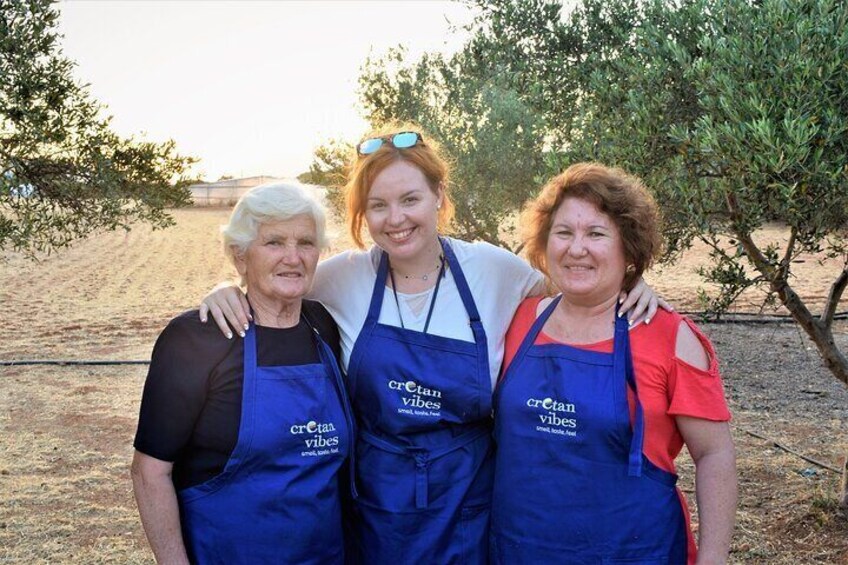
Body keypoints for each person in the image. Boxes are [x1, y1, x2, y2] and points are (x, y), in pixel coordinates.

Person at [198, 127, 661, 563]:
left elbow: (576, 285)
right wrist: (229, 287)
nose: (395, 219)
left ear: (439, 197)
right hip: (377, 509)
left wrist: (633, 283)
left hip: (469, 509)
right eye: (378, 205)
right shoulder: (342, 277)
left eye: (410, 199)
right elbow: (279, 277)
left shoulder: (494, 271)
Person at [490, 163, 737, 564]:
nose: (576, 248)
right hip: (521, 548)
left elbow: (714, 455)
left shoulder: (670, 337)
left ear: (629, 249)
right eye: (564, 232)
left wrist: (713, 560)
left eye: (596, 233)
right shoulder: (518, 320)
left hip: (636, 552)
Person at [131, 182, 354, 564]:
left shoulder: (325, 327)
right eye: (273, 242)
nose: (293, 257)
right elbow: (149, 473)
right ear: (239, 256)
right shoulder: (197, 338)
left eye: (305, 242)